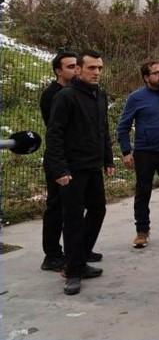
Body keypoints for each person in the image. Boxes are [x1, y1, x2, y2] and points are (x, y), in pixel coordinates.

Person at [44, 50, 114, 296]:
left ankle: (78, 259)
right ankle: (73, 271)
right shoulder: (66, 97)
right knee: (72, 218)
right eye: (91, 68)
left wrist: (108, 158)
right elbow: (54, 135)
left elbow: (102, 129)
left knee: (98, 210)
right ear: (80, 70)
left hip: (93, 166)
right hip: (72, 170)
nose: (96, 72)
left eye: (100, 68)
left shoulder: (100, 96)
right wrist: (59, 168)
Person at [117, 60, 159, 249]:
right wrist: (126, 151)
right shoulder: (136, 98)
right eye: (156, 73)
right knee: (143, 192)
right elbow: (123, 126)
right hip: (144, 152)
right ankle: (142, 231)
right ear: (146, 77)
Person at [38, 51, 79, 273]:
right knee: (56, 206)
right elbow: (56, 130)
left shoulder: (76, 92)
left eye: (76, 65)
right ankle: (52, 254)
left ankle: (76, 249)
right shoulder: (51, 95)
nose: (75, 69)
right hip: (59, 158)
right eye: (70, 66)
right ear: (58, 71)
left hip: (76, 159)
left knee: (75, 207)